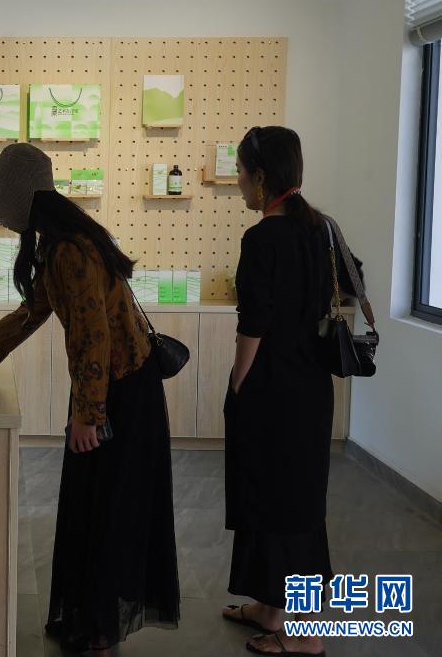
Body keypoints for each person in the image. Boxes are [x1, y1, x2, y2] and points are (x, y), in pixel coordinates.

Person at [0, 143, 180, 656]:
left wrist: (88, 416)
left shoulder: (70, 250)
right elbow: (34, 311)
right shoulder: (59, 243)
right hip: (106, 387)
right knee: (90, 504)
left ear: (21, 200)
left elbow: (93, 336)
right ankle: (87, 618)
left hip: (120, 392)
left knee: (108, 509)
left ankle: (100, 629)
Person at [220, 126, 334, 657]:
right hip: (310, 389)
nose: (239, 183)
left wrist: (237, 380)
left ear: (261, 177)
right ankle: (270, 608)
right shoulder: (319, 229)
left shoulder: (262, 238)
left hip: (270, 391)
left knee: (283, 507)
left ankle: (306, 634)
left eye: (242, 173)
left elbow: (255, 322)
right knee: (287, 501)